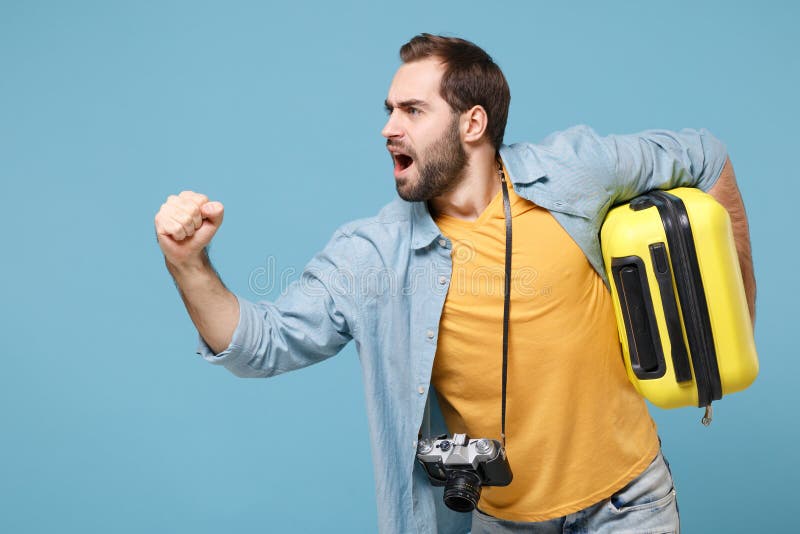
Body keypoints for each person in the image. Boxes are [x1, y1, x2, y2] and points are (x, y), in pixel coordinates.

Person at [154, 34, 755, 534]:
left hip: (631, 504)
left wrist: (735, 317)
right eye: (388, 110)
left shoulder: (573, 173)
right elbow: (260, 344)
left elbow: (706, 156)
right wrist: (188, 262)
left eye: (412, 111)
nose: (389, 128)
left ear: (473, 122)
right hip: (503, 520)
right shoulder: (373, 256)